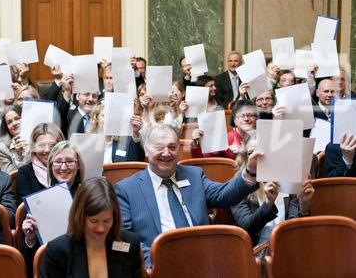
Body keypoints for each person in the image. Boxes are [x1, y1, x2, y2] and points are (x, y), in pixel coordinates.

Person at [115, 124, 258, 266]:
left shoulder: (194, 175)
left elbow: (224, 194)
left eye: (172, 147)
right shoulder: (126, 190)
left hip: (203, 260)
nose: (166, 153)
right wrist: (153, 261)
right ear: (146, 150)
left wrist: (250, 170)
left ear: (179, 149)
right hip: (158, 266)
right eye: (159, 147)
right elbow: (121, 242)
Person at [40, 177, 142, 278]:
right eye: (94, 221)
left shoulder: (129, 243)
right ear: (80, 216)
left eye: (107, 221)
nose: (101, 228)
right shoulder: (58, 251)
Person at [230, 132, 314, 247]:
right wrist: (268, 203)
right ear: (246, 159)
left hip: (287, 246)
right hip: (255, 251)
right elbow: (247, 228)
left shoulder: (288, 179)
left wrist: (304, 205)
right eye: (251, 153)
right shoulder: (238, 186)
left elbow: (295, 228)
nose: (257, 158)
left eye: (262, 154)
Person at [20, 141, 82, 277]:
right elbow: (27, 262)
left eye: (70, 161)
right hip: (51, 268)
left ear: (78, 166)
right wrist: (30, 239)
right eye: (58, 162)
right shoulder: (38, 201)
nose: (63, 167)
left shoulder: (89, 198)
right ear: (51, 166)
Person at [15, 123, 65, 203]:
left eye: (53, 145)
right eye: (41, 145)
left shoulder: (68, 168)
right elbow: (24, 209)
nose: (47, 150)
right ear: (33, 147)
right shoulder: (25, 173)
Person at [191, 100, 257, 160]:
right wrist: (195, 143)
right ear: (234, 120)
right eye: (242, 116)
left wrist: (244, 152)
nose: (246, 119)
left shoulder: (263, 137)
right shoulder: (224, 139)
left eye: (250, 115)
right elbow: (203, 160)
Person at [0, 104, 27, 174]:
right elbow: (9, 176)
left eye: (17, 118)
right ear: (6, 127)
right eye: (9, 122)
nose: (14, 123)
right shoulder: (1, 148)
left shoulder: (37, 138)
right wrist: (19, 156)